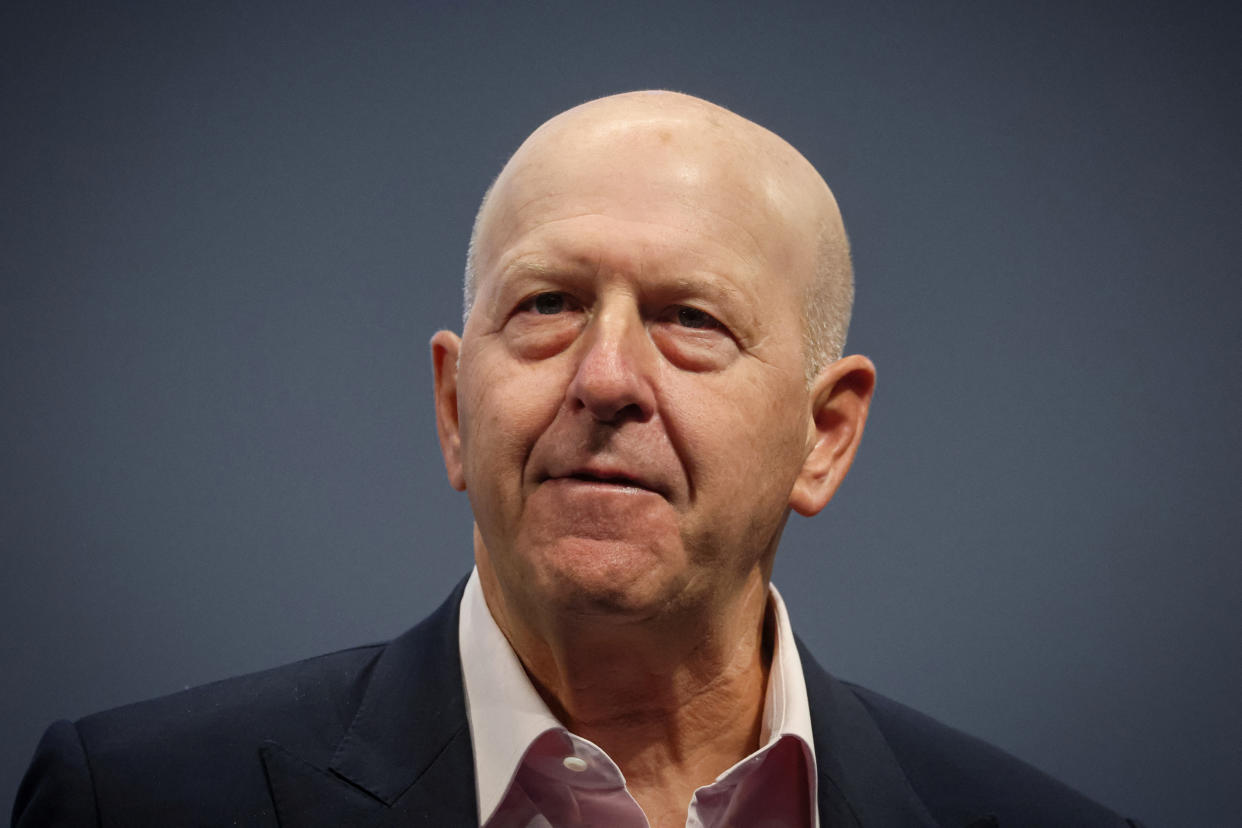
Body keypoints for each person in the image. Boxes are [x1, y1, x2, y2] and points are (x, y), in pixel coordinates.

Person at [13, 91, 1141, 827]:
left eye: (691, 319)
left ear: (824, 435)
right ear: (456, 406)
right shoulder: (136, 801)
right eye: (548, 305)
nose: (605, 380)